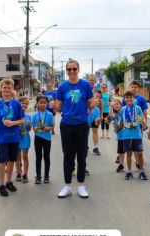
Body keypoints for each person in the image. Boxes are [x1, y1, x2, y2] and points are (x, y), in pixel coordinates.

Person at [50, 59, 94, 199]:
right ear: (66, 71)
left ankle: (81, 186)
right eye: (69, 69)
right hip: (67, 124)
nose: (72, 71)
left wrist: (95, 103)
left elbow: (90, 103)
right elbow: (59, 108)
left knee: (81, 155)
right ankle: (67, 186)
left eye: (74, 69)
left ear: (78, 70)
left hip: (81, 124)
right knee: (68, 156)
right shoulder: (62, 87)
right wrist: (53, 105)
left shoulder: (85, 85)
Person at [0, 79, 24, 197]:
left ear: (12, 89)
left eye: (9, 87)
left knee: (11, 160)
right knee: (2, 160)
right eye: (4, 87)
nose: (6, 90)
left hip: (14, 137)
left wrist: (13, 123)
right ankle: (1, 185)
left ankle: (9, 181)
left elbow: (22, 119)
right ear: (1, 89)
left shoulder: (16, 104)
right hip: (2, 137)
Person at [121, 91, 148, 181]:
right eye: (127, 97)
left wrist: (143, 122)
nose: (129, 99)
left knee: (139, 153)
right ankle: (129, 171)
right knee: (129, 154)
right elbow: (120, 121)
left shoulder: (137, 108)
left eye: (131, 97)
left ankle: (141, 171)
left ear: (133, 98)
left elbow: (140, 118)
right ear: (125, 99)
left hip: (137, 134)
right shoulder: (123, 109)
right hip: (126, 135)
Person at [32, 95, 55, 184]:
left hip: (47, 139)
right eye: (40, 103)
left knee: (46, 157)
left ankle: (46, 176)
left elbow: (53, 126)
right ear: (37, 103)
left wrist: (47, 128)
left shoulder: (49, 114)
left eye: (44, 103)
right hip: (38, 138)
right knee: (38, 157)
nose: (42, 104)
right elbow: (33, 127)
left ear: (47, 104)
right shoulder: (34, 115)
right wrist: (35, 128)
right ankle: (38, 176)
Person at [16, 96, 32, 183]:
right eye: (23, 103)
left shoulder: (28, 116)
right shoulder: (15, 115)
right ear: (19, 104)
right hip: (16, 138)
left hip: (25, 138)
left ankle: (25, 174)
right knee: (17, 157)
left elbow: (29, 129)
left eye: (26, 103)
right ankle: (18, 173)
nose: (24, 105)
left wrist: (29, 125)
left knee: (25, 157)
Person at [110, 99, 125, 172]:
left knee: (130, 151)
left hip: (128, 135)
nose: (116, 105)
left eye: (118, 104)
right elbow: (110, 116)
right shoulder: (114, 115)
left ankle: (138, 163)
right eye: (115, 104)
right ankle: (121, 164)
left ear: (121, 105)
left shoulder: (124, 111)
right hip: (120, 136)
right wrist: (110, 106)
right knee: (121, 151)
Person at [88, 90, 102, 155]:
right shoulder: (88, 100)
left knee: (95, 131)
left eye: (99, 96)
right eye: (97, 96)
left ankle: (95, 147)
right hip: (87, 116)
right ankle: (85, 146)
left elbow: (101, 111)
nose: (98, 97)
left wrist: (100, 118)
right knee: (86, 132)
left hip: (96, 116)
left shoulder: (100, 102)